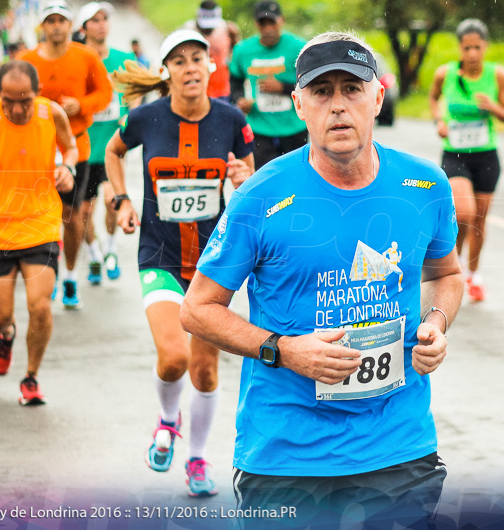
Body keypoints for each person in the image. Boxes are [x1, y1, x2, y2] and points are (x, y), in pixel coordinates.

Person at [181, 32, 463, 527]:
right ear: (298, 105)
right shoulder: (261, 196)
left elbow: (447, 274)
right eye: (322, 91)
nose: (338, 106)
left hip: (398, 446)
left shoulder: (424, 186)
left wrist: (437, 322)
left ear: (378, 98)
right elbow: (197, 309)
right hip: (287, 455)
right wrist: (283, 350)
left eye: (352, 89)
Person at [105, 29, 255, 497]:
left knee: (206, 371)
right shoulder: (143, 118)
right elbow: (112, 152)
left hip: (214, 262)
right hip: (160, 254)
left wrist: (241, 177)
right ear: (167, 71)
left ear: (210, 67)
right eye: (180, 60)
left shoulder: (232, 120)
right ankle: (168, 421)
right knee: (173, 357)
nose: (191, 67)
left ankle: (196, 458)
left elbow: (250, 185)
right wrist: (122, 201)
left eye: (199, 59)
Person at [0, 60, 78, 406]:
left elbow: (70, 147)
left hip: (41, 223)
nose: (19, 108)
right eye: (10, 100)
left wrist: (67, 167)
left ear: (36, 94)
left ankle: (31, 377)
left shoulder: (51, 115)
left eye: (26, 99)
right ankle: (5, 335)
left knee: (40, 307)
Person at [20, 0, 112, 308]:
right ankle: (49, 275)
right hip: (37, 149)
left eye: (62, 20)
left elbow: (105, 93)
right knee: (41, 215)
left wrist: (82, 105)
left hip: (77, 147)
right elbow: (9, 94)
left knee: (72, 217)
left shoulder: (85, 57)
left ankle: (70, 276)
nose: (57, 26)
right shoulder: (27, 60)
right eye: (51, 21)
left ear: (70, 26)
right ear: (43, 27)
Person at [427, 19, 504, 302]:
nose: (473, 53)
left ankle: (473, 274)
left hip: (486, 156)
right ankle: (456, 264)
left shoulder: (497, 75)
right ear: (460, 48)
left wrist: (493, 107)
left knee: (479, 219)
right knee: (463, 213)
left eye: (477, 47)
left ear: (485, 46)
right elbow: (433, 98)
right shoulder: (446, 74)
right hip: (455, 154)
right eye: (467, 48)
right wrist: (439, 120)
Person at [76, 1, 133, 284]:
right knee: (85, 210)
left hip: (113, 148)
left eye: (104, 19)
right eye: (94, 20)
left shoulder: (122, 59)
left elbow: (134, 94)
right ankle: (94, 252)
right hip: (84, 149)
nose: (101, 24)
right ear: (84, 28)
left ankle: (110, 250)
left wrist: (128, 115)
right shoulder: (76, 59)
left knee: (113, 202)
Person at [229, 0, 308, 167]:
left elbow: (312, 85)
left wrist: (283, 88)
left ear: (282, 21)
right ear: (255, 25)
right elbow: (235, 80)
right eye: (262, 24)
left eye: (272, 23)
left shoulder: (299, 47)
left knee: (296, 179)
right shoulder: (243, 50)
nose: (268, 29)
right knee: (266, 181)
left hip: (294, 127)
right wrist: (239, 100)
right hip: (260, 128)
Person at [190, 0, 241, 103]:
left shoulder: (229, 30)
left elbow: (238, 56)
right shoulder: (189, 31)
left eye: (211, 26)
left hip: (222, 91)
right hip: (197, 91)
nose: (208, 29)